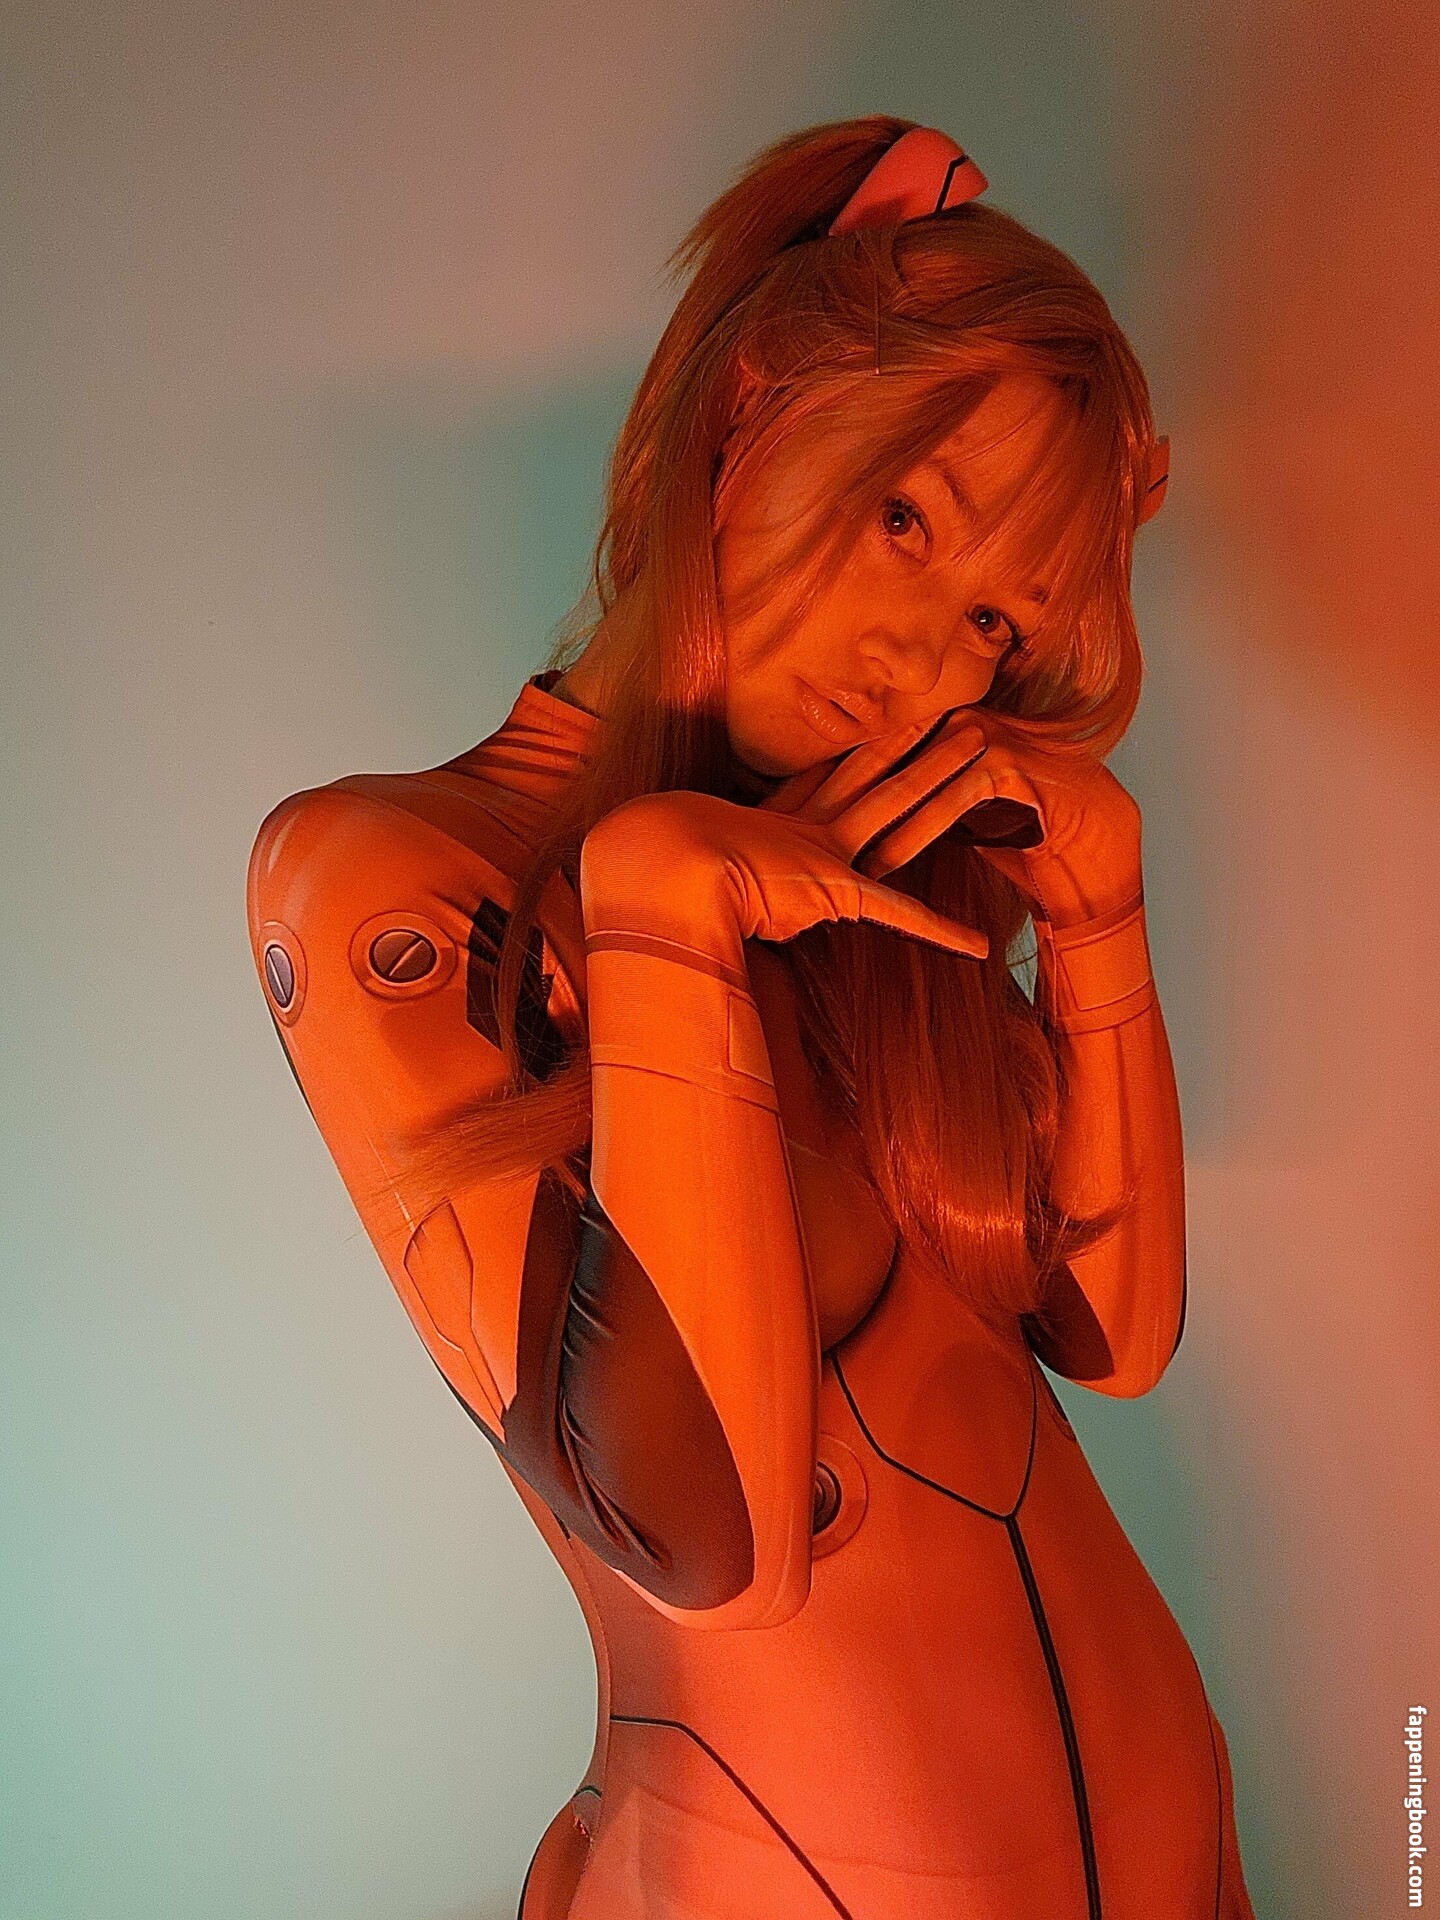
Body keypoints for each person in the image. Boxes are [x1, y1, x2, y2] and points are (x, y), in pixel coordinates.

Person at [246, 117, 1255, 1919]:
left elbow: (1112, 1340)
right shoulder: (394, 875)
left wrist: (1101, 924)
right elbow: (705, 1536)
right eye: (903, 518)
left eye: (993, 624)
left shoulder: (889, 916)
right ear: (749, 409)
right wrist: (656, 910)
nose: (919, 660)